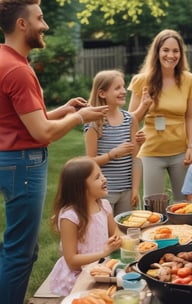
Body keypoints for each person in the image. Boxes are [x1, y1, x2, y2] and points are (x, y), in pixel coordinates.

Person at [0, 1, 108, 303]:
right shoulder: (18, 70)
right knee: (21, 252)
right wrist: (80, 117)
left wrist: (63, 110)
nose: (45, 25)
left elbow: (22, 120)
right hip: (23, 166)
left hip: (6, 160)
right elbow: (42, 133)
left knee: (14, 247)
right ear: (23, 25)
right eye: (40, 18)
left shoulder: (2, 59)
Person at [128, 29, 192, 202]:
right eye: (165, 50)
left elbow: (190, 116)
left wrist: (190, 147)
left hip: (180, 153)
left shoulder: (188, 80)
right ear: (157, 52)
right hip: (152, 151)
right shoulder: (142, 81)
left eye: (175, 51)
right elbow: (130, 119)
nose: (171, 55)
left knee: (184, 206)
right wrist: (144, 106)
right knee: (154, 208)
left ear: (181, 54)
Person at [48, 157, 121, 296]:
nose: (104, 179)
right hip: (78, 276)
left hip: (101, 270)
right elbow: (71, 261)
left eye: (102, 174)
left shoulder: (103, 206)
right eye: (97, 177)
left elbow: (116, 233)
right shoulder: (70, 217)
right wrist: (103, 253)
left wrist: (133, 241)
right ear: (81, 187)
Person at [84, 70, 145, 215]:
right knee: (105, 233)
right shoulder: (94, 122)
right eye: (117, 88)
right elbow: (90, 162)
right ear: (102, 93)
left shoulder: (131, 120)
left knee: (125, 232)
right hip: (104, 192)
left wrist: (135, 189)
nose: (123, 91)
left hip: (127, 192)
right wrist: (112, 154)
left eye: (123, 87)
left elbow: (135, 158)